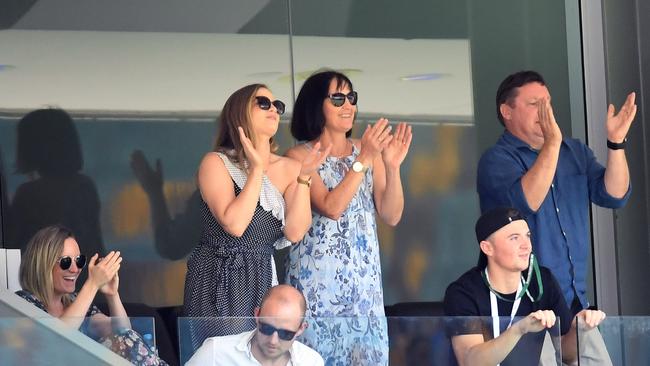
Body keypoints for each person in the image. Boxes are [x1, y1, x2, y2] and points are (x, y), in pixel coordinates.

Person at [477, 70, 636, 315]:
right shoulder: (497, 159)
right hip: (525, 307)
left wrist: (616, 143)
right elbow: (527, 201)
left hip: (576, 303)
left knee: (597, 355)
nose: (545, 112)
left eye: (547, 103)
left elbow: (615, 195)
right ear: (506, 112)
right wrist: (552, 143)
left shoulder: (574, 151)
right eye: (534, 104)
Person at [183, 84, 328, 348]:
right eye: (263, 103)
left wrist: (304, 178)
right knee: (222, 356)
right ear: (240, 112)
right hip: (219, 275)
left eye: (277, 105)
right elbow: (235, 224)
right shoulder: (216, 163)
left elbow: (295, 231)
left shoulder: (291, 168)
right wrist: (257, 169)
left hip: (261, 275)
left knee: (264, 355)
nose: (274, 109)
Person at [284, 70, 412, 365]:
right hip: (318, 287)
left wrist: (391, 167)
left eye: (351, 98)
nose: (348, 105)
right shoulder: (299, 156)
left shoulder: (369, 153)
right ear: (317, 105)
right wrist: (364, 158)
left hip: (364, 288)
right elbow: (331, 206)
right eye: (338, 98)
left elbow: (392, 215)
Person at [444, 207, 608, 366]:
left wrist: (579, 330)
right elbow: (470, 361)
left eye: (527, 236)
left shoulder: (542, 281)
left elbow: (567, 356)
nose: (526, 245)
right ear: (488, 248)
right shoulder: (463, 292)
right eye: (514, 238)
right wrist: (518, 330)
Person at [15, 225, 166, 365]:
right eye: (66, 262)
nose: (75, 269)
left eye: (79, 261)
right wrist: (92, 284)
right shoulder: (22, 302)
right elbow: (56, 338)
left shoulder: (74, 301)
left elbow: (123, 332)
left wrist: (112, 295)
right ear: (43, 264)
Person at [7, 108, 105, 259]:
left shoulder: (29, 194)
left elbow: (11, 245)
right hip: (85, 275)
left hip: (43, 279)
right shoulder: (85, 186)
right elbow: (95, 244)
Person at [186, 284, 324, 366]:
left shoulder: (311, 361)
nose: (273, 341)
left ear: (301, 329)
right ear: (257, 315)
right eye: (267, 328)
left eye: (285, 334)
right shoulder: (215, 352)